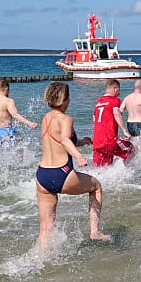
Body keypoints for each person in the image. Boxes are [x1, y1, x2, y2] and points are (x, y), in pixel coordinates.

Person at [36, 82, 110, 247]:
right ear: (64, 100)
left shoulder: (46, 119)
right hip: (61, 173)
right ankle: (95, 232)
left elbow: (60, 141)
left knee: (45, 228)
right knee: (96, 186)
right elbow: (64, 139)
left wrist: (81, 142)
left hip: (42, 175)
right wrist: (78, 156)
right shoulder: (66, 118)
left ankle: (43, 260)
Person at [0, 78, 37, 168]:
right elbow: (15, 115)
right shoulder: (8, 101)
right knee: (20, 141)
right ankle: (22, 165)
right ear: (6, 89)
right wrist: (29, 123)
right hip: (6, 131)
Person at [92, 78, 133, 166]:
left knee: (100, 169)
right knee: (132, 149)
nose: (119, 93)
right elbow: (116, 113)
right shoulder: (115, 100)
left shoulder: (98, 102)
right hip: (109, 140)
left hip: (97, 142)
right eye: (119, 90)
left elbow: (94, 119)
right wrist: (124, 131)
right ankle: (125, 173)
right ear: (115, 89)